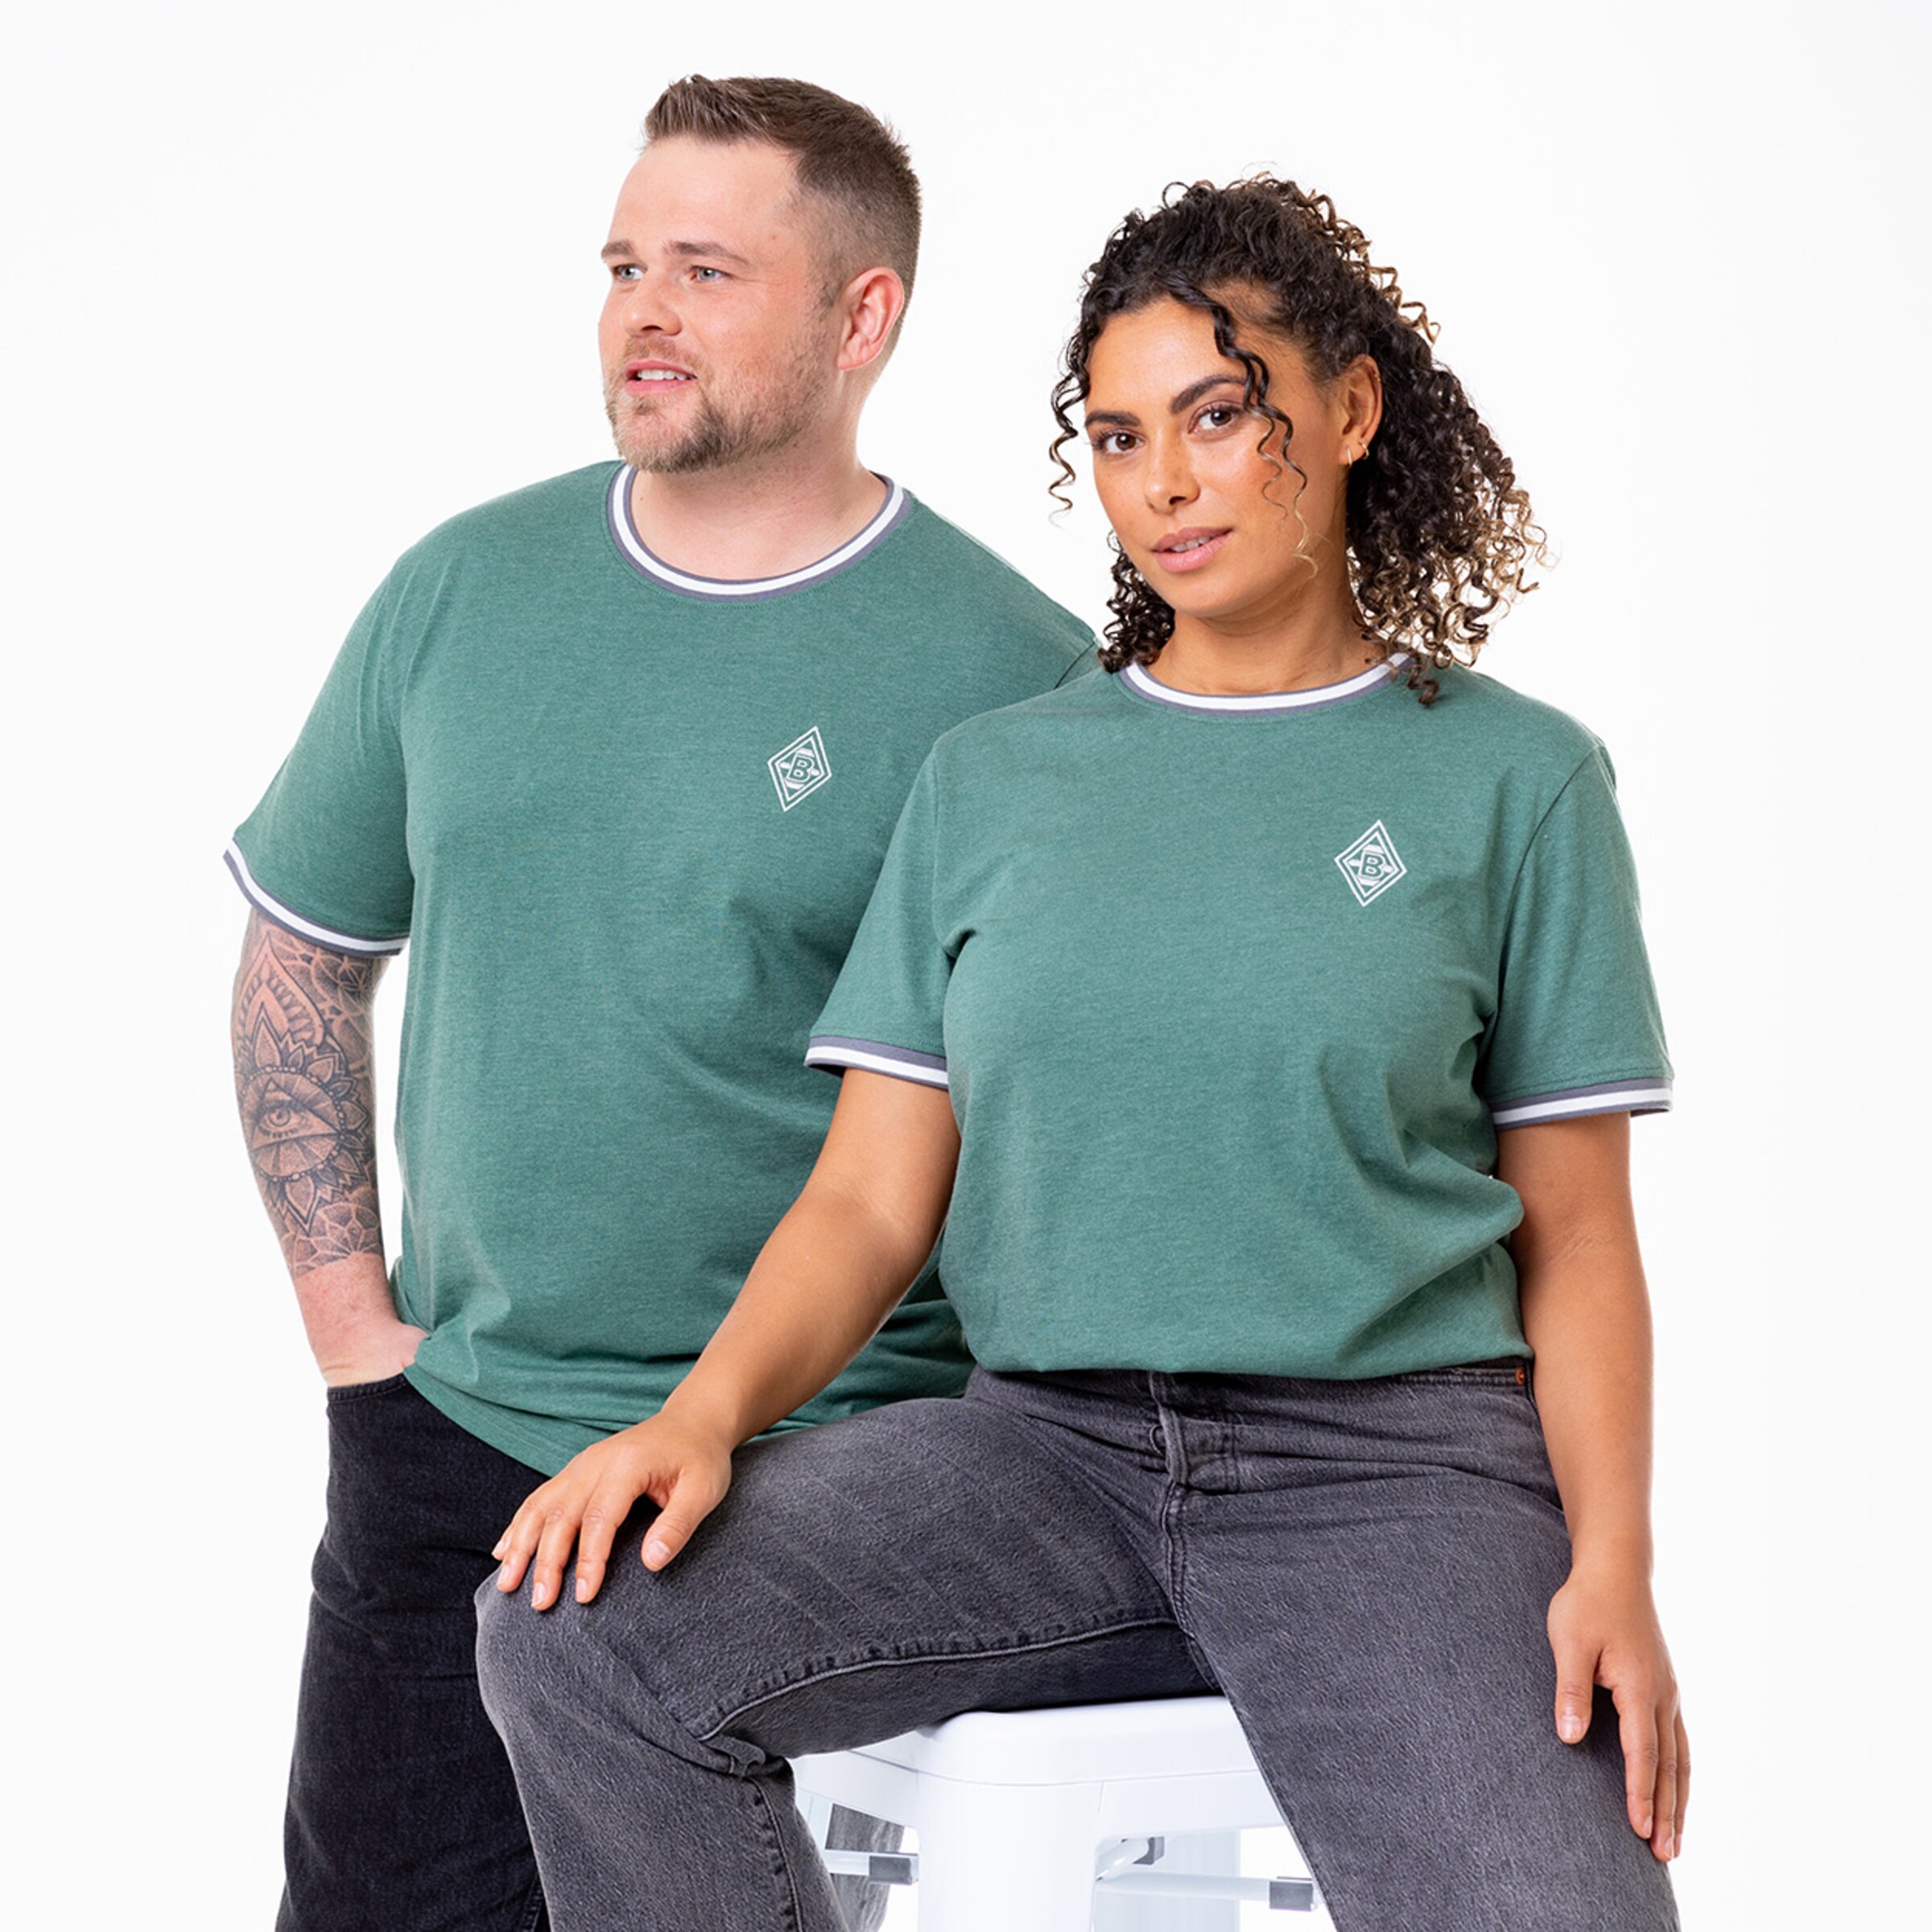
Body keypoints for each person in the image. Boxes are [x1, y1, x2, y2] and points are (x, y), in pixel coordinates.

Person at [476, 175, 1689, 1932]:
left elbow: (1579, 1235)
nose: (1164, 484)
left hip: (1395, 1475)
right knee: (581, 1638)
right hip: (1039, 1456)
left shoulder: (1516, 782)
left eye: (1220, 415)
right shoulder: (995, 779)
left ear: (1346, 412)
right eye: (1119, 437)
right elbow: (871, 1197)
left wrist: (1616, 1567)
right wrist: (699, 1420)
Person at [227, 75, 1092, 1932]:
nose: (643, 312)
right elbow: (305, 950)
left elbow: (1069, 1123)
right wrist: (355, 1347)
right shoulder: (460, 593)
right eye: (625, 263)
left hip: (824, 1482)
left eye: (706, 268)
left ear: (865, 318)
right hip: (457, 1442)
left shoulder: (1015, 685)